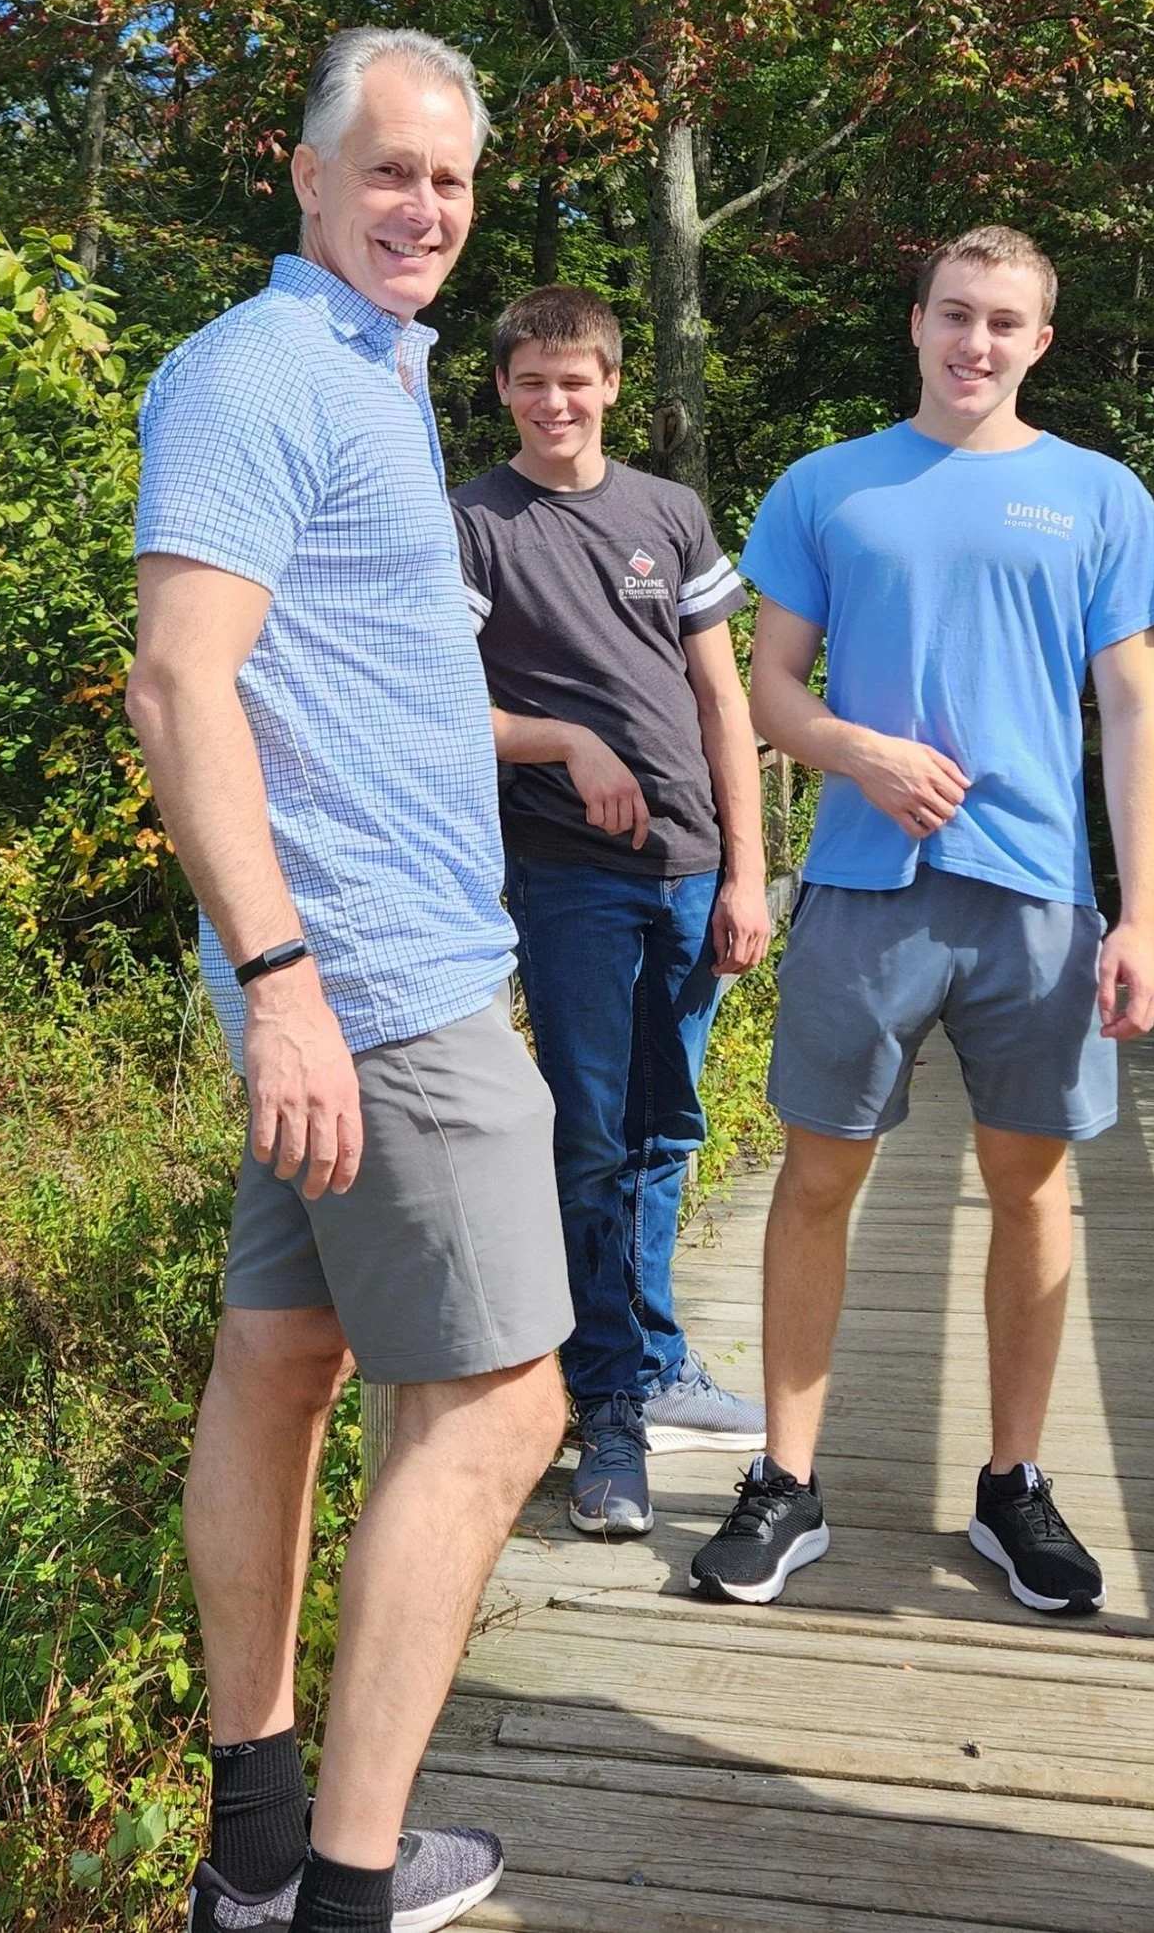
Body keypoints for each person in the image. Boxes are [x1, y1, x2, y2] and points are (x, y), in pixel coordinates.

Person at [128, 28, 570, 1933]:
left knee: (285, 1360)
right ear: (298, 175)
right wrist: (287, 979)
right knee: (502, 1409)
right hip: (374, 989)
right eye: (389, 170)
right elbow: (178, 679)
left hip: (363, 981)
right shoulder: (254, 375)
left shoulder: (381, 383)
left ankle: (256, 1843)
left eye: (453, 181)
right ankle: (348, 1891)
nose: (426, 210)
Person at [686, 224, 1154, 1613]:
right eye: (955, 315)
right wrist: (858, 752)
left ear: (1041, 341)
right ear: (915, 323)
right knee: (819, 1178)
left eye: (1005, 323)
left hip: (1040, 898)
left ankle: (1012, 1485)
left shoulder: (1098, 497)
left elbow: (1137, 714)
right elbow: (770, 690)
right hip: (865, 892)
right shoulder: (827, 489)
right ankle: (786, 1482)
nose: (977, 343)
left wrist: (1139, 920)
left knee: (1032, 1186)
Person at [452, 284, 773, 1541]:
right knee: (590, 1133)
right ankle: (609, 1419)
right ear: (502, 391)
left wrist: (745, 870)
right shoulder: (473, 523)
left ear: (611, 385)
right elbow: (439, 706)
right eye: (531, 381)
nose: (554, 401)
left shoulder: (669, 512)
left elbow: (723, 702)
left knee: (667, 1127)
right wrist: (566, 740)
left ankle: (652, 1355)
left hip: (691, 870)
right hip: (570, 874)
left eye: (575, 379)